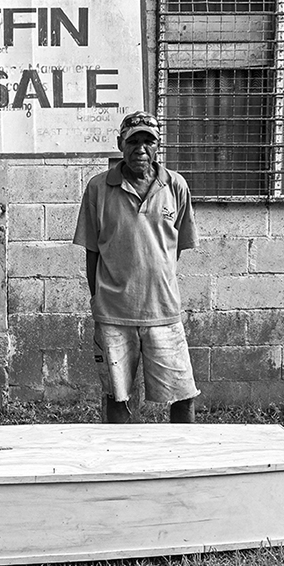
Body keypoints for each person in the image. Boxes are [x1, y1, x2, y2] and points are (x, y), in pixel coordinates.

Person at [73, 111, 199, 424]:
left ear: (159, 146)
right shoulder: (98, 188)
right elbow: (92, 251)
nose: (140, 148)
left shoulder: (176, 187)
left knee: (183, 395)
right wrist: (98, 299)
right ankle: (118, 466)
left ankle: (185, 462)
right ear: (120, 144)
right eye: (133, 141)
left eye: (148, 141)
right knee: (117, 397)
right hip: (113, 312)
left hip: (163, 311)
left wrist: (156, 283)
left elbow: (171, 251)